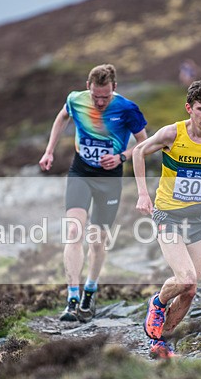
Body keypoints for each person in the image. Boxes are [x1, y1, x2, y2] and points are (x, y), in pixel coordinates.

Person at [132, 80, 201, 358]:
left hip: (197, 216)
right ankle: (158, 302)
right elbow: (138, 152)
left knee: (190, 290)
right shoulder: (172, 133)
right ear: (189, 108)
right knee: (185, 277)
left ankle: (161, 341)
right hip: (167, 213)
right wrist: (143, 194)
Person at [39, 64, 148, 321]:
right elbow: (62, 117)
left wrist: (121, 156)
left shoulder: (127, 108)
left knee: (97, 241)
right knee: (74, 232)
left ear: (114, 88)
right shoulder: (75, 99)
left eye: (105, 97)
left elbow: (145, 144)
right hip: (81, 172)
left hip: (109, 179)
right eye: (96, 96)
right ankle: (72, 299)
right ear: (88, 87)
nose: (100, 102)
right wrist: (49, 150)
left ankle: (90, 289)